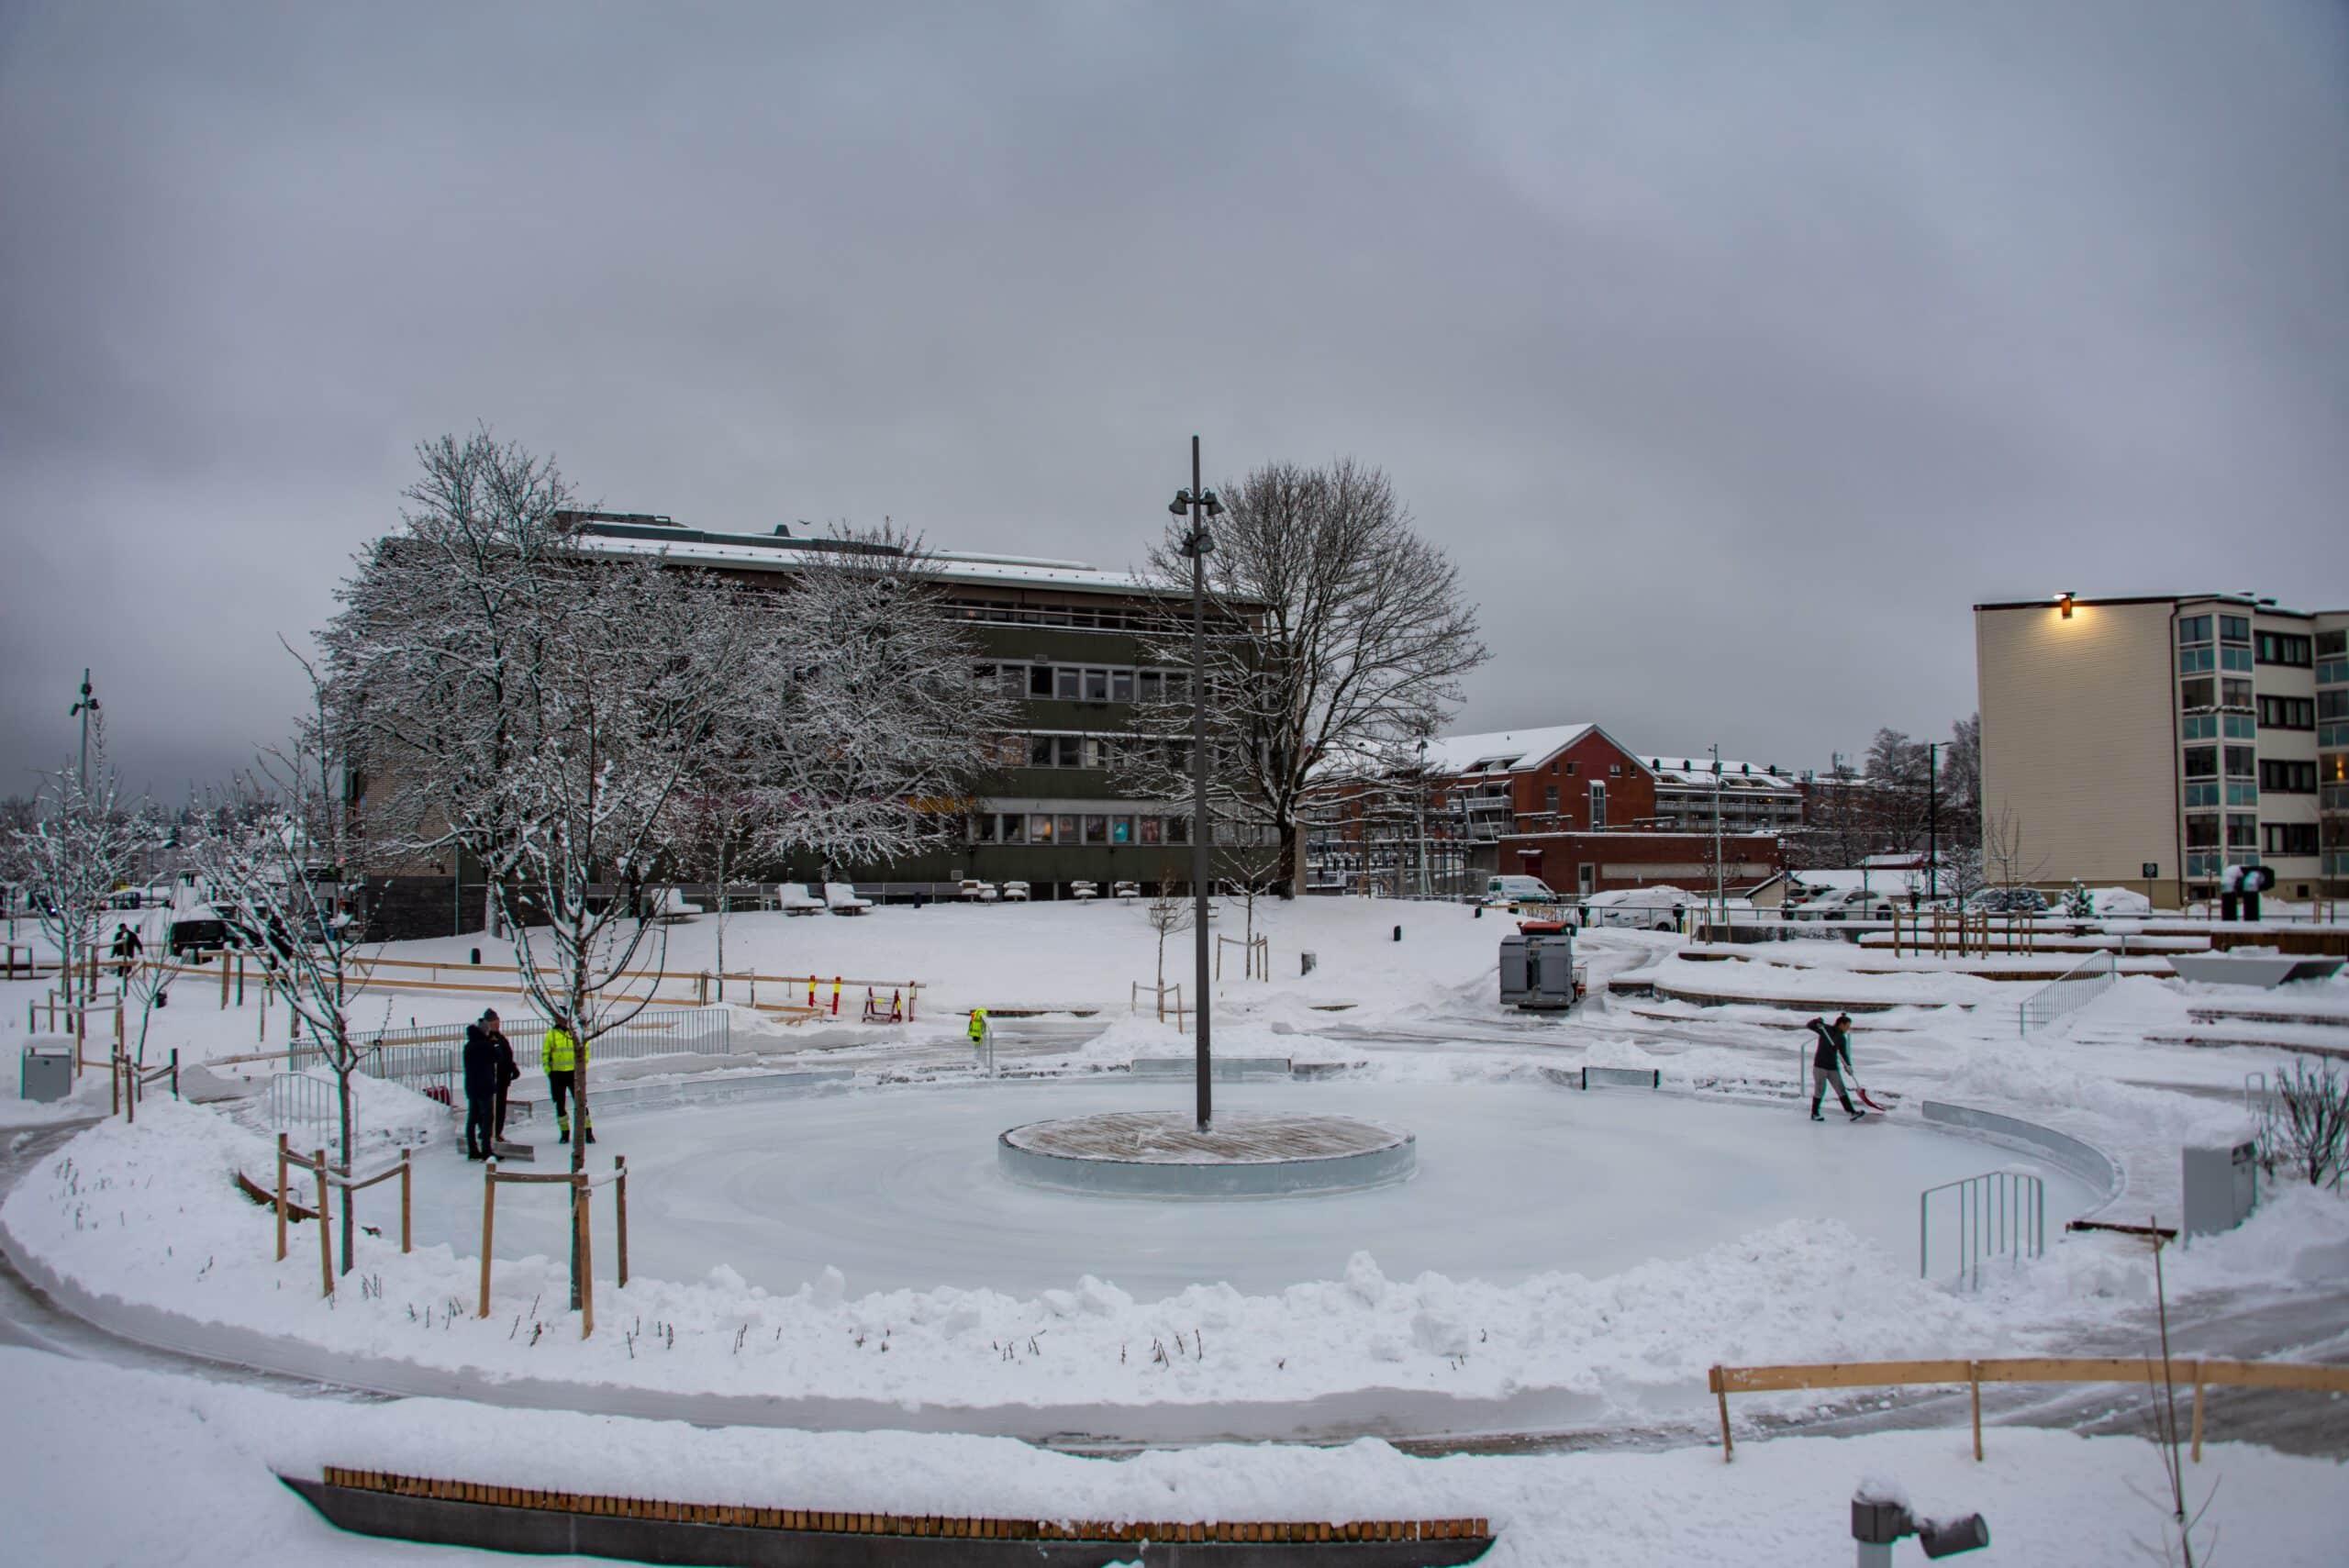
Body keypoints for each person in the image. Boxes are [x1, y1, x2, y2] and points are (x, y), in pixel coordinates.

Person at [543, 1013, 592, 1144]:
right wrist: (549, 1072)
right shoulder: (552, 1034)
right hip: (557, 1075)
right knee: (559, 1105)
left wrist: (582, 1068)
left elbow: (585, 1050)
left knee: (581, 1103)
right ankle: (564, 1132)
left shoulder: (576, 1032)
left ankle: (588, 1131)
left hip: (574, 1074)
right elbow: (546, 1054)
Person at [1805, 1012, 1863, 1122]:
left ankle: (1852, 1112)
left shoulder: (1841, 1038)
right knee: (1820, 1090)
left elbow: (1843, 1054)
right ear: (1841, 1024)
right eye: (1847, 1026)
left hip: (1832, 1067)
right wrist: (1818, 1021)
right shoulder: (1826, 1029)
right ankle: (1815, 1113)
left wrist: (1848, 1066)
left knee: (1841, 1089)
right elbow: (1809, 1025)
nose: (1848, 1028)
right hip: (1820, 1066)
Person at [461, 1009, 502, 1160]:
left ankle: (472, 1149)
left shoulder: (468, 1046)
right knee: (487, 1118)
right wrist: (495, 1045)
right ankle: (486, 1149)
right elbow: (498, 1057)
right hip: (485, 1085)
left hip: (472, 1086)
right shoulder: (486, 1045)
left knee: (472, 1118)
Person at [490, 1020, 519, 1144]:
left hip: (503, 1078)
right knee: (493, 1107)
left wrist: (513, 1068)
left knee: (501, 1107)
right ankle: (491, 1133)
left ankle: (498, 1132)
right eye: (494, 1023)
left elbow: (507, 1055)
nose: (497, 1025)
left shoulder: (501, 1038)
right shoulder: (489, 1039)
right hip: (494, 1079)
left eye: (498, 1022)